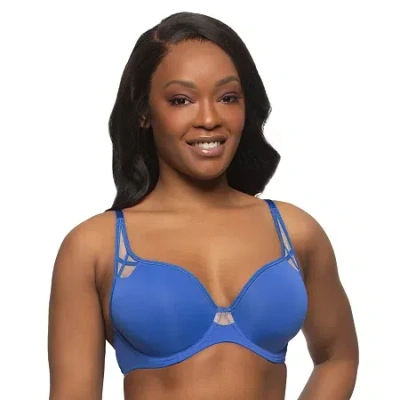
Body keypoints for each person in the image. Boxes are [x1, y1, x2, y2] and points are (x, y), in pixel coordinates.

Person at [47, 11, 359, 400]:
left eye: (228, 98)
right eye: (181, 100)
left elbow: (338, 358)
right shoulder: (94, 247)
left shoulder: (296, 232)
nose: (209, 118)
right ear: (144, 111)